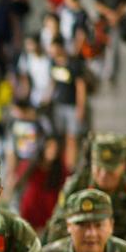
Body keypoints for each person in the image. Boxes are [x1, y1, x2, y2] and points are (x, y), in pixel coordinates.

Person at [48, 37, 86, 172]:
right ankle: (62, 166)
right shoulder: (53, 63)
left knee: (72, 137)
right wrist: (48, 98)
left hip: (72, 105)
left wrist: (81, 107)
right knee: (61, 137)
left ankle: (71, 167)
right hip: (59, 105)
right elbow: (53, 82)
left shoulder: (73, 64)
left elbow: (80, 86)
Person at [18, 135, 67, 234]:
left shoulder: (61, 170)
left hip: (49, 217)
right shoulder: (31, 165)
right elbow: (18, 181)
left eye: (55, 148)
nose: (52, 151)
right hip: (31, 213)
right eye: (49, 147)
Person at [15, 33, 52, 109]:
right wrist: (25, 93)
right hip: (35, 96)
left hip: (50, 96)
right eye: (27, 44)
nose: (29, 47)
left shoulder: (48, 58)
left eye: (31, 44)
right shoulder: (25, 58)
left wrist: (48, 96)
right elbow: (24, 77)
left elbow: (53, 79)